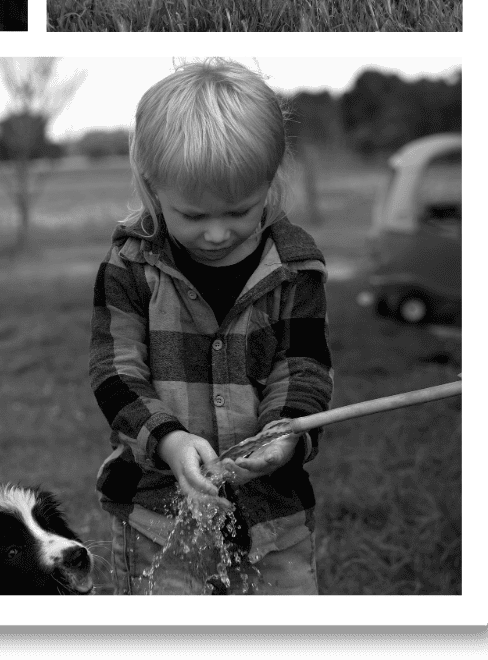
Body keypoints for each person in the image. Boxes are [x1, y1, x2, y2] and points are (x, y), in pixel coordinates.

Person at [89, 60, 333, 594]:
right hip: (156, 513)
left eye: (241, 211)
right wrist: (170, 441)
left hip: (272, 513)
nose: (218, 234)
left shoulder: (296, 266)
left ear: (269, 182)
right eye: (194, 216)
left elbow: (305, 365)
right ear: (153, 187)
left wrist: (287, 433)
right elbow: (115, 373)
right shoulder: (130, 264)